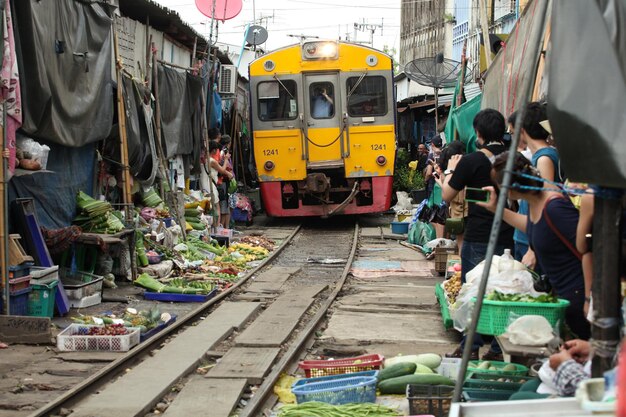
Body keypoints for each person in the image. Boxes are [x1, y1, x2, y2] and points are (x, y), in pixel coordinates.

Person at [479, 152, 590, 340]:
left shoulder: (555, 207)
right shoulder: (534, 203)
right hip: (562, 295)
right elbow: (533, 227)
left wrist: (589, 297)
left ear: (511, 188)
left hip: (579, 296)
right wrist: (497, 209)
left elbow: (587, 250)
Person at [441, 108, 514, 360]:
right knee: (501, 291)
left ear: (478, 133)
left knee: (472, 290)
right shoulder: (514, 159)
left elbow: (447, 195)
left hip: (478, 235)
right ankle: (497, 349)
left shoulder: (471, 161)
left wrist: (449, 171)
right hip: (508, 233)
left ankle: (470, 346)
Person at [516, 102, 563, 272]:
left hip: (532, 241)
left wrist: (532, 249)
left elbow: (545, 204)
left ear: (522, 129)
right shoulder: (541, 156)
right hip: (527, 235)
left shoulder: (544, 159)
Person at [434, 141, 467, 251]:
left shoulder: (449, 172)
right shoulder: (468, 167)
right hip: (465, 211)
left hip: (458, 212)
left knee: (461, 242)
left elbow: (446, 195)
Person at [208, 140, 233, 228]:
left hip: (206, 185)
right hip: (210, 186)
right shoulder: (211, 161)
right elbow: (222, 170)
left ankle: (214, 227)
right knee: (217, 208)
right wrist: (226, 159)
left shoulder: (204, 159)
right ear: (214, 150)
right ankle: (217, 228)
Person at [220, 135, 234, 228]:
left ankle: (226, 228)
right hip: (225, 181)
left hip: (226, 181)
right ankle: (224, 228)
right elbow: (224, 168)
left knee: (227, 206)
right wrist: (229, 174)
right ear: (229, 143)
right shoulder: (223, 153)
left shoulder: (223, 152)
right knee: (225, 206)